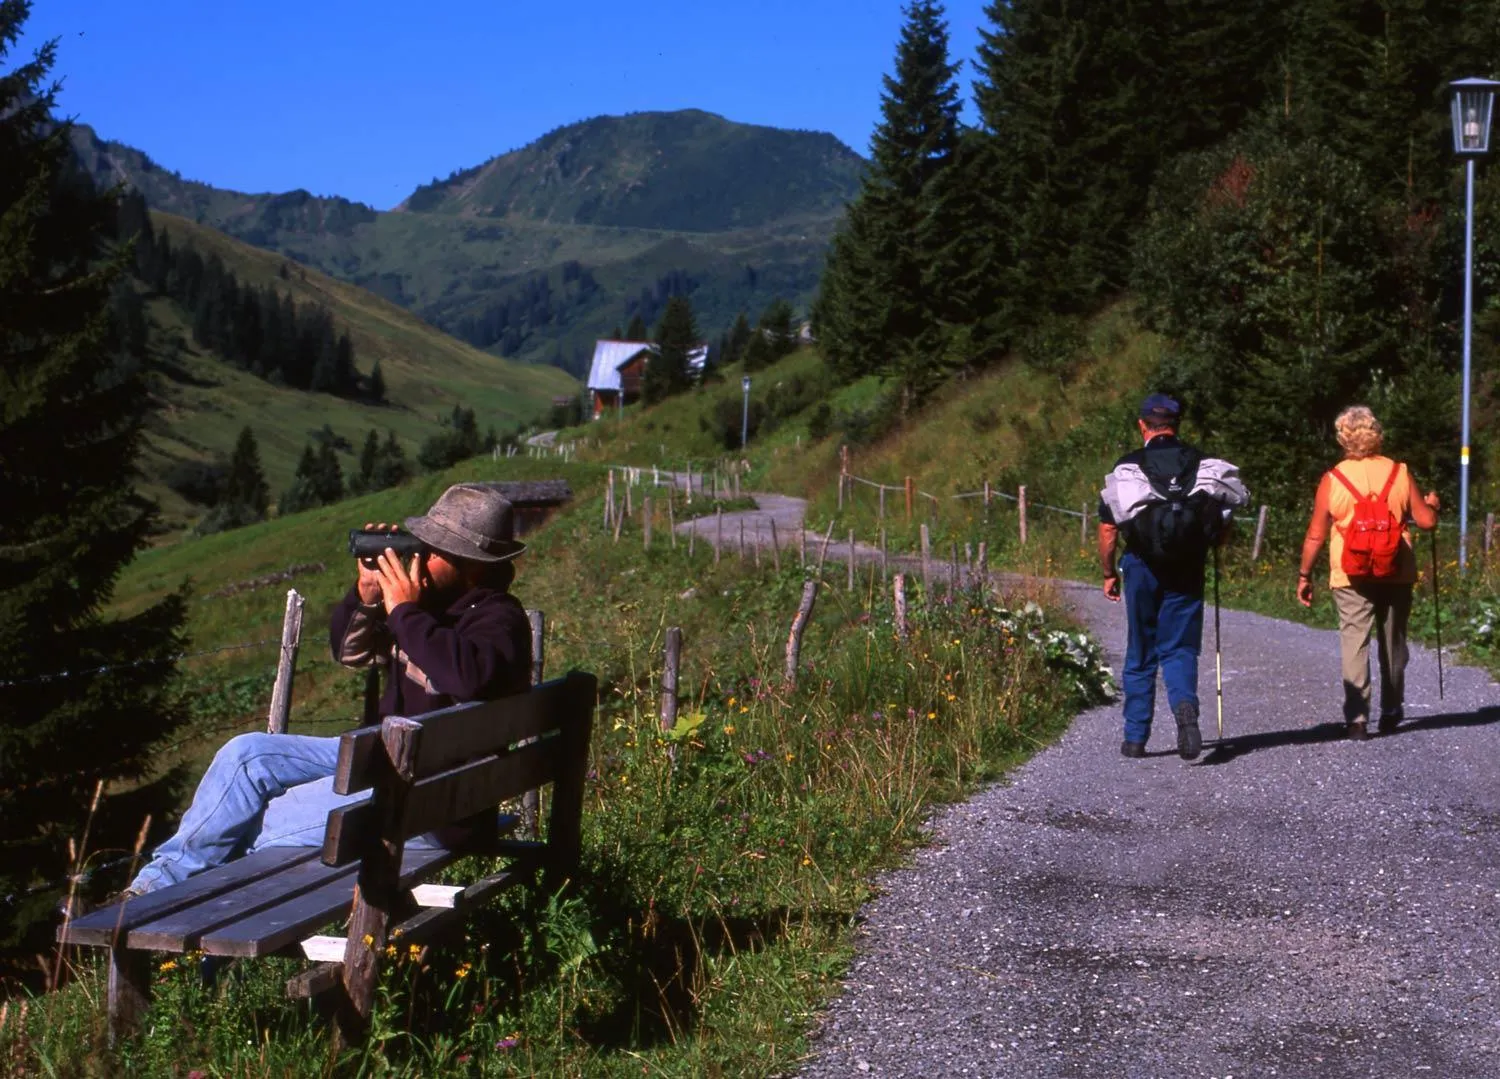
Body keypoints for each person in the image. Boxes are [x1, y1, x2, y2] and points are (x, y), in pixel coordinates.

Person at [127, 483, 533, 894]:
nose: (419, 558)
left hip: (426, 807)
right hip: (390, 765)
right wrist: (369, 597)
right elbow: (348, 653)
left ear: (474, 566)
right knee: (247, 755)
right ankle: (155, 885)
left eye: (434, 551)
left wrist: (406, 612)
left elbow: (468, 676)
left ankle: (154, 901)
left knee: (249, 825)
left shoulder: (499, 619)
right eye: (421, 545)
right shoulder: (434, 608)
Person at [1098, 394, 1249, 761]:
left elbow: (1108, 530)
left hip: (1141, 566)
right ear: (1177, 424)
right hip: (1187, 566)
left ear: (1142, 424)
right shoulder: (1199, 463)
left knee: (1141, 648)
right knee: (1180, 647)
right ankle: (1185, 709)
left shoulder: (1128, 467)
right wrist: (1211, 545)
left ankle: (1135, 738)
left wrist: (1107, 573)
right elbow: (1222, 517)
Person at [1295, 406, 1438, 740]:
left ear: (1343, 438)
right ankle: (1391, 710)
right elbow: (1427, 522)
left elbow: (1316, 534)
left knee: (1354, 641)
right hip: (1396, 570)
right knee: (1394, 642)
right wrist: (1432, 505)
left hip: (1350, 574)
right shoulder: (1399, 472)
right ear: (1376, 433)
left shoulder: (1333, 478)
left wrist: (1305, 574)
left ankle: (1357, 719)